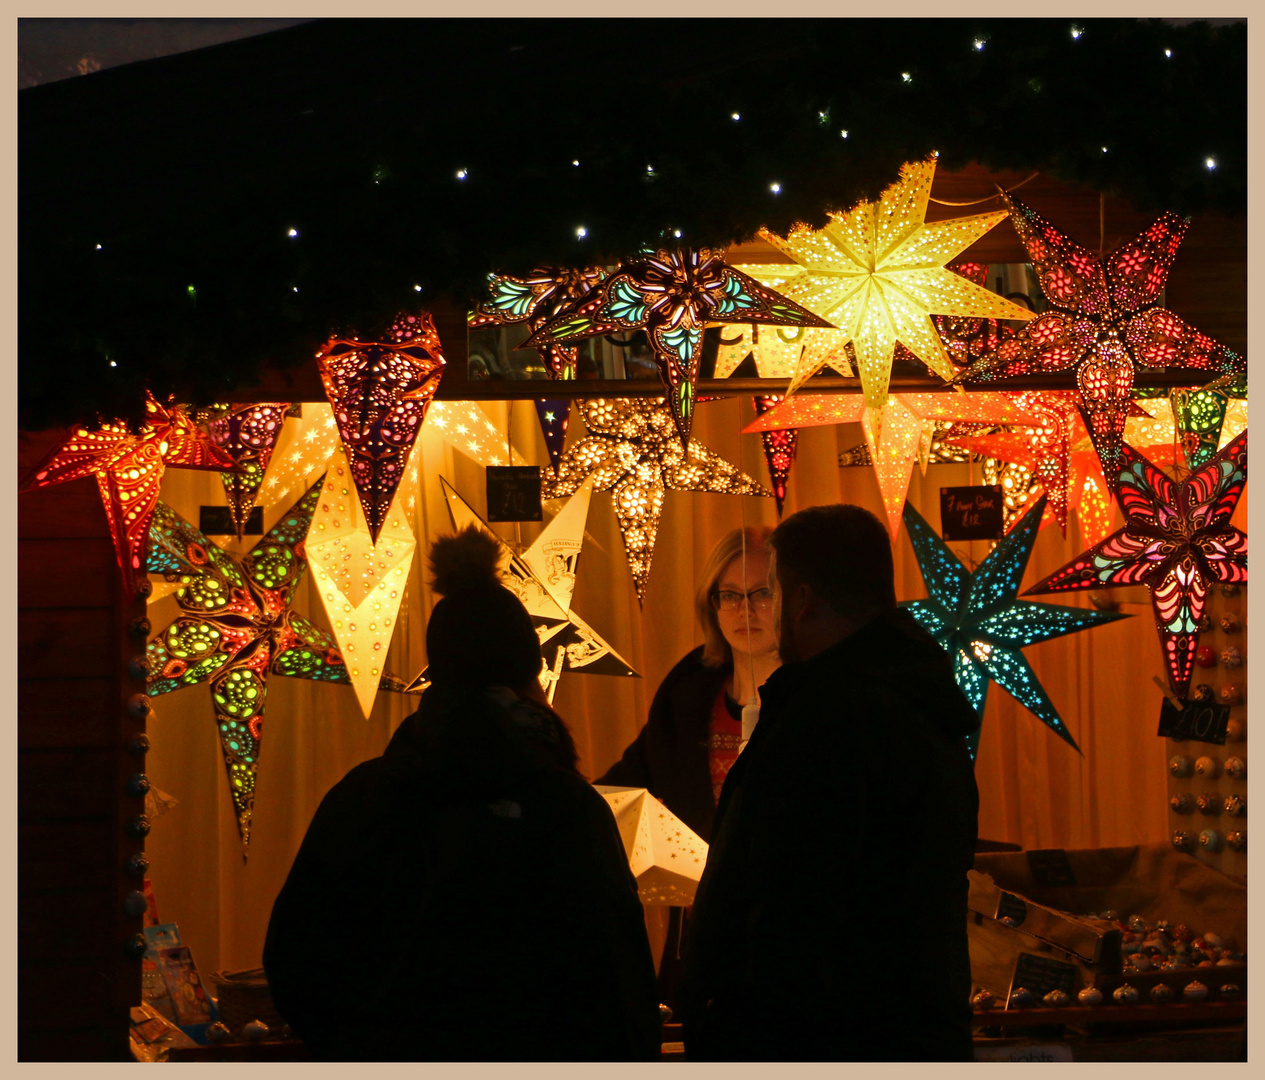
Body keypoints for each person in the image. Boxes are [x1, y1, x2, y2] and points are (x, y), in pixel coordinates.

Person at [263, 525, 661, 1061]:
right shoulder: (564, 807)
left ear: (438, 676)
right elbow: (619, 987)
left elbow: (295, 958)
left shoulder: (364, 798)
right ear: (533, 672)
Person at [681, 504, 980, 1062]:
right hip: (902, 1028)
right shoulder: (916, 697)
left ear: (800, 597)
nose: (757, 611)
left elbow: (791, 901)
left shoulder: (828, 718)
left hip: (825, 1039)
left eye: (769, 590)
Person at [596, 527, 780, 842]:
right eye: (730, 595)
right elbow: (619, 791)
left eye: (762, 593)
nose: (744, 610)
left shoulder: (820, 699)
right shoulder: (686, 697)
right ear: (713, 604)